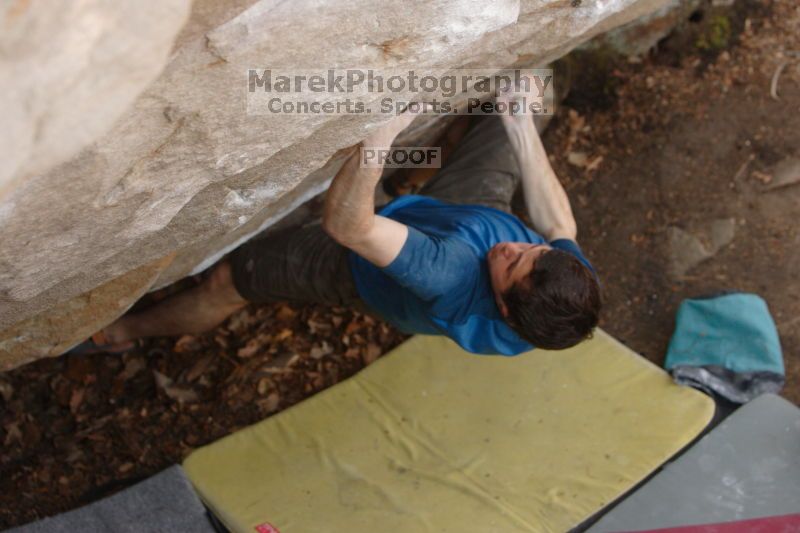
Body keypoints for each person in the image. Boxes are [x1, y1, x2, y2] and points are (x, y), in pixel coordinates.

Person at [84, 91, 600, 356]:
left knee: (230, 281)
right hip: (468, 213)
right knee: (528, 94)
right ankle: (409, 188)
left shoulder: (450, 274)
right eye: (531, 250)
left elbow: (349, 227)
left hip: (356, 266)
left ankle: (123, 331)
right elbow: (560, 228)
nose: (515, 247)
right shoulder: (567, 296)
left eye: (514, 264)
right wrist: (521, 125)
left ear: (505, 308)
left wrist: (377, 146)